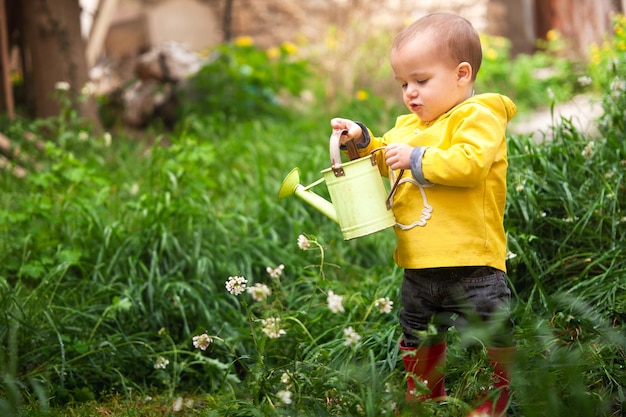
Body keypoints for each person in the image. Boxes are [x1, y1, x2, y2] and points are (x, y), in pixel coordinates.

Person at [330, 12, 517, 417]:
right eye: (403, 84)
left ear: (461, 74)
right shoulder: (408, 127)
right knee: (417, 336)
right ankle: (424, 400)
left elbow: (469, 164)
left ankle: (495, 401)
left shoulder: (479, 116)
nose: (410, 93)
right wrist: (362, 140)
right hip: (418, 265)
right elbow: (385, 159)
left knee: (486, 332)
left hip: (473, 262)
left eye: (421, 80)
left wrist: (416, 157)